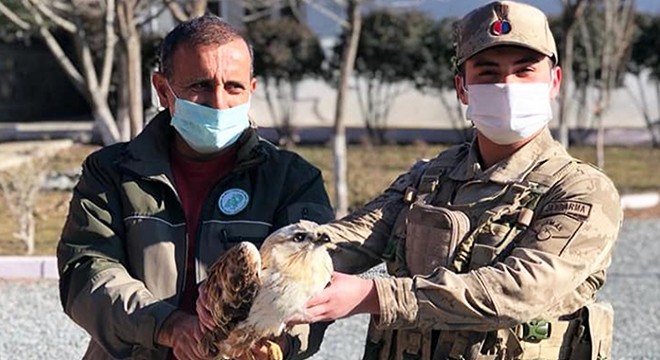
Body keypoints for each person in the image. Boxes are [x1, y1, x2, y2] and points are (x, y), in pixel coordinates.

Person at [296, 1, 622, 359]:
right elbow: (353, 237)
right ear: (462, 88)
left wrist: (375, 296)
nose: (507, 86)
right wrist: (276, 261)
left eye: (524, 71)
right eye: (488, 73)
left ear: (554, 83)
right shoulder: (428, 178)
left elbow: (521, 289)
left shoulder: (582, 190)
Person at [57, 15, 334, 360]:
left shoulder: (292, 179)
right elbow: (86, 273)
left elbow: (319, 281)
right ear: (162, 90)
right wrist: (167, 326)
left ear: (252, 90)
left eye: (233, 86)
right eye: (200, 86)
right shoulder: (110, 173)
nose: (219, 102)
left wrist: (279, 344)